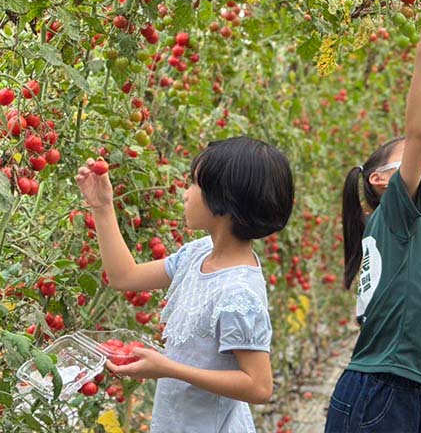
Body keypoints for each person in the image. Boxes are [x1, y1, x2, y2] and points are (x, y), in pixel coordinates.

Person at [75, 137, 294, 433]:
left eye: (194, 184)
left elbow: (258, 386)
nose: (185, 194)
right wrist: (102, 206)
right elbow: (123, 276)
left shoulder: (237, 292)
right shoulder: (198, 254)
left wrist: (167, 368)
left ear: (223, 201)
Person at [325, 16, 421, 433]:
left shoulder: (407, 229)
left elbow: (397, 304)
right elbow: (419, 132)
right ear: (382, 180)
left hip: (400, 389)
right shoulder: (395, 212)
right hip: (382, 393)